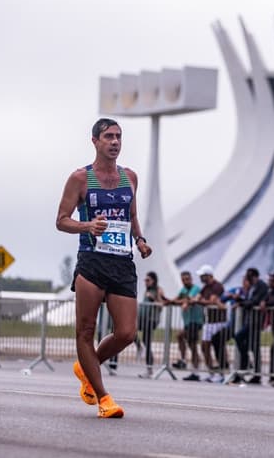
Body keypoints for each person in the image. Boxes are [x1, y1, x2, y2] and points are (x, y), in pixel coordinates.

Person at [56, 118, 152, 418]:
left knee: (126, 333)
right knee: (85, 331)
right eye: (108, 137)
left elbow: (132, 214)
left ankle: (86, 366)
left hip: (122, 262)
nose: (115, 142)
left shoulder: (130, 177)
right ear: (95, 141)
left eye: (119, 137)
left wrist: (140, 239)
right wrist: (87, 225)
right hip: (92, 261)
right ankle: (104, 398)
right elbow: (61, 220)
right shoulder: (80, 179)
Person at [234, 267, 269, 384]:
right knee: (250, 345)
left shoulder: (261, 285)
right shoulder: (252, 286)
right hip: (249, 319)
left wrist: (242, 303)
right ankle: (245, 369)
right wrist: (241, 301)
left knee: (248, 343)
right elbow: (250, 300)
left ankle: (253, 371)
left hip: (255, 321)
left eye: (249, 275)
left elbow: (254, 301)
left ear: (254, 276)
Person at [192, 265, 225, 382]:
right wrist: (197, 299)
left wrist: (198, 301)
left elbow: (211, 301)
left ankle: (222, 372)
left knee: (218, 347)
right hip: (209, 321)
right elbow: (197, 297)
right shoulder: (205, 287)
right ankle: (212, 371)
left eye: (202, 275)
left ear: (208, 275)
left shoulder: (217, 286)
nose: (200, 277)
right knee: (204, 346)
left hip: (219, 321)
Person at [170, 270, 202, 379]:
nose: (185, 282)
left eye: (187, 279)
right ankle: (183, 360)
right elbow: (177, 299)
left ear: (191, 279)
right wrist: (166, 301)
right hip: (188, 322)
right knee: (180, 336)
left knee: (193, 346)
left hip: (196, 321)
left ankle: (196, 372)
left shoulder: (195, 288)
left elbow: (189, 299)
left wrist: (182, 302)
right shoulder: (183, 289)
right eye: (183, 280)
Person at [137, 271, 166, 379]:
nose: (146, 282)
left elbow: (162, 304)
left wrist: (153, 299)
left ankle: (149, 369)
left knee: (147, 342)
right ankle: (139, 346)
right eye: (145, 280)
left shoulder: (158, 290)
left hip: (151, 320)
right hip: (143, 319)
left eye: (148, 280)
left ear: (153, 280)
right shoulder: (146, 291)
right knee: (130, 331)